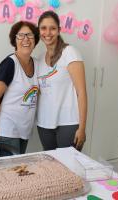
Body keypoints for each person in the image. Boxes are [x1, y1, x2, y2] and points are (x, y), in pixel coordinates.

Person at [37, 11, 87, 151]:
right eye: (43, 28)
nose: (48, 32)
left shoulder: (70, 52)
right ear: (39, 31)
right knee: (51, 168)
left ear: (59, 30)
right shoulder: (40, 58)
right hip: (44, 124)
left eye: (52, 28)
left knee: (69, 168)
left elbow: (81, 93)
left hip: (68, 123)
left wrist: (82, 128)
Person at [0, 21, 40, 156]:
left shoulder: (37, 63)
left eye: (29, 35)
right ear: (14, 40)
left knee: (17, 170)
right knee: (10, 172)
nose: (26, 39)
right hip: (7, 130)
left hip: (25, 130)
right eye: (21, 36)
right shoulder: (10, 64)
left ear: (35, 40)